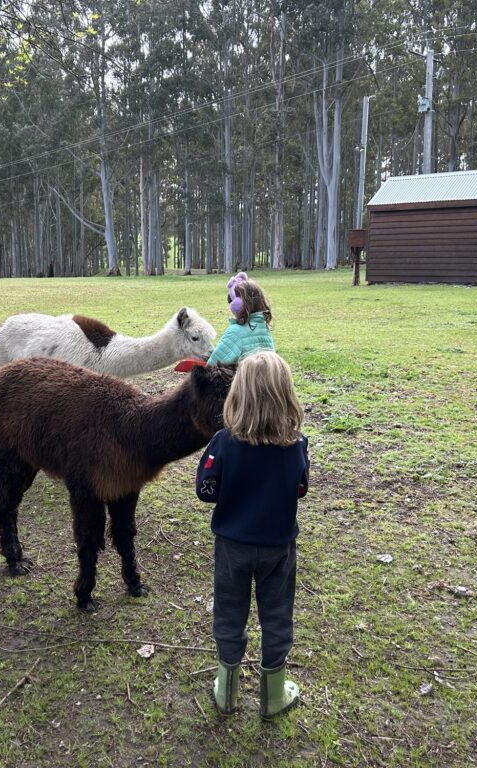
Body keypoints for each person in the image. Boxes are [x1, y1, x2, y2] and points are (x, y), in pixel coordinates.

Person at [195, 351, 309, 718]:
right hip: (278, 546)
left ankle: (227, 692)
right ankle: (273, 695)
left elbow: (205, 490)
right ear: (286, 396)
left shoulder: (223, 443)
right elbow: (301, 490)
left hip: (232, 547)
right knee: (277, 616)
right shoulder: (297, 446)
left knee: (229, 613)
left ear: (238, 395)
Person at [205, 272, 275, 366]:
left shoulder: (235, 332)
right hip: (266, 380)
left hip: (243, 380)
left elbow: (212, 365)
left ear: (237, 305)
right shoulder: (264, 328)